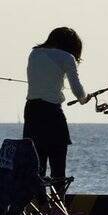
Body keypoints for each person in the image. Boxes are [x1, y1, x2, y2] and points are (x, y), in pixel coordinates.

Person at [23, 27, 91, 195]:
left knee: (36, 164)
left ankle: (38, 204)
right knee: (58, 164)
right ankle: (59, 204)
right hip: (52, 112)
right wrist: (84, 99)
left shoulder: (34, 53)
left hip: (31, 111)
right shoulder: (67, 57)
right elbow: (77, 88)